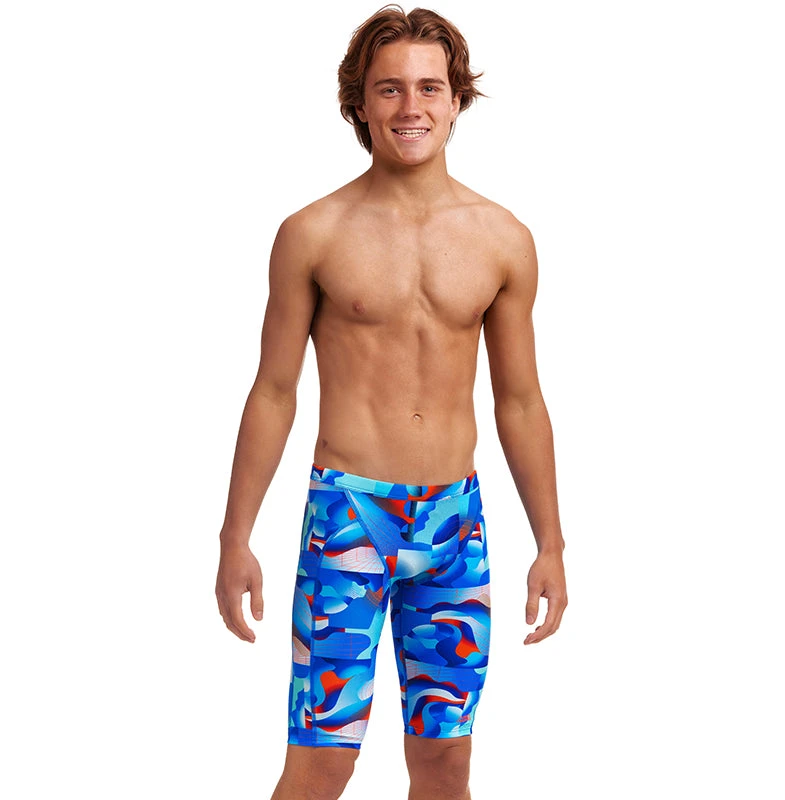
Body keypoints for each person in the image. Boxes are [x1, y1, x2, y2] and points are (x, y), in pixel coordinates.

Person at [215, 5, 567, 799]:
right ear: (360, 102)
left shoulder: (503, 238)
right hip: (348, 517)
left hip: (454, 524)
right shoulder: (313, 233)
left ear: (456, 98)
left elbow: (519, 400)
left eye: (429, 88)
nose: (412, 107)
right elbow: (273, 390)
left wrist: (551, 543)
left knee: (446, 764)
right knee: (322, 763)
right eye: (390, 89)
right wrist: (236, 537)